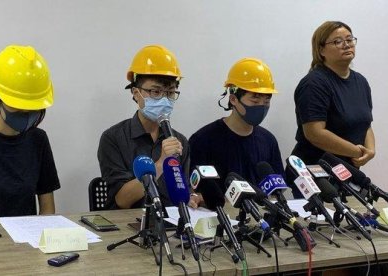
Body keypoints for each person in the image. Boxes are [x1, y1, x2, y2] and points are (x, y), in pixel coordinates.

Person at [98, 45, 197, 209]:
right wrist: (161, 163)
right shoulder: (114, 138)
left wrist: (190, 198)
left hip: (171, 227)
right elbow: (122, 200)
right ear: (137, 94)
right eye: (156, 92)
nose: (165, 100)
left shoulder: (180, 142)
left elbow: (182, 193)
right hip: (128, 226)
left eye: (170, 92)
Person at [286, 21, 374, 199]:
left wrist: (370, 151)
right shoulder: (314, 83)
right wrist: (357, 152)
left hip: (347, 173)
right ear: (321, 50)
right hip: (315, 174)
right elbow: (315, 133)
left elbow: (365, 122)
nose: (347, 44)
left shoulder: (361, 82)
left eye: (350, 39)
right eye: (337, 41)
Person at [0, 45, 60, 218]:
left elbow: (48, 209)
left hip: (26, 240)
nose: (26, 114)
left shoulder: (38, 139)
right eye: (18, 106)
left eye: (33, 107)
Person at [189, 58, 284, 197]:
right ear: (233, 99)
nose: (262, 106)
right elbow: (194, 192)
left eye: (267, 100)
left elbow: (277, 191)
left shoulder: (268, 140)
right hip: (218, 216)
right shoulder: (203, 139)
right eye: (255, 99)